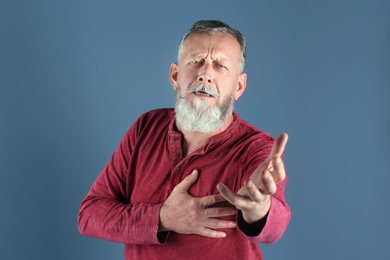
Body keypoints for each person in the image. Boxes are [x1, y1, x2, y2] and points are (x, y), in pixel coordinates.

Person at [78, 20, 291, 260]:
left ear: (239, 86)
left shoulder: (255, 148)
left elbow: (275, 227)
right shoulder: (145, 128)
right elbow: (89, 215)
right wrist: (163, 218)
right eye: (195, 61)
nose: (205, 74)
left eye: (220, 65)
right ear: (175, 75)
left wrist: (259, 208)